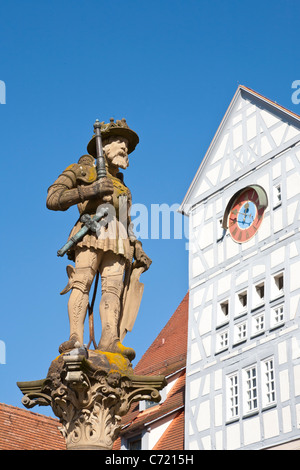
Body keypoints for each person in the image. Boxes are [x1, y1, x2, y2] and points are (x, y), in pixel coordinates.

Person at [46, 118, 151, 360]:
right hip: (90, 231)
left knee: (113, 289)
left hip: (118, 237)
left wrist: (138, 247)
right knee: (82, 282)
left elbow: (126, 221)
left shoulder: (123, 187)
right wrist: (90, 190)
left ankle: (110, 340)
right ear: (103, 147)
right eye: (119, 141)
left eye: (126, 143)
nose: (124, 147)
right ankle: (75, 338)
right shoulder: (83, 171)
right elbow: (53, 198)